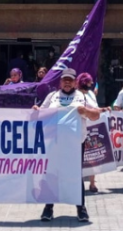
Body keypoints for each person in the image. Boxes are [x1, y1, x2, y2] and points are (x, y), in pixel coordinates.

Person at [32, 68, 103, 222]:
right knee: (51, 174)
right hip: (53, 143)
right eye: (65, 79)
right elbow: (41, 114)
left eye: (70, 80)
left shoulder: (82, 97)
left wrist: (85, 111)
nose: (67, 82)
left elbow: (96, 115)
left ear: (75, 82)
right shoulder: (52, 97)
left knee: (75, 175)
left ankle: (81, 208)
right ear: (61, 81)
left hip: (75, 144)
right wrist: (36, 110)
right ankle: (48, 208)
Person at [76, 72, 100, 193]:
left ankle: (92, 183)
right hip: (82, 128)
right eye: (88, 82)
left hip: (93, 126)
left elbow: (95, 107)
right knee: (79, 159)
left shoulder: (90, 93)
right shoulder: (77, 94)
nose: (90, 84)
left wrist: (98, 111)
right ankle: (78, 184)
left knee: (92, 156)